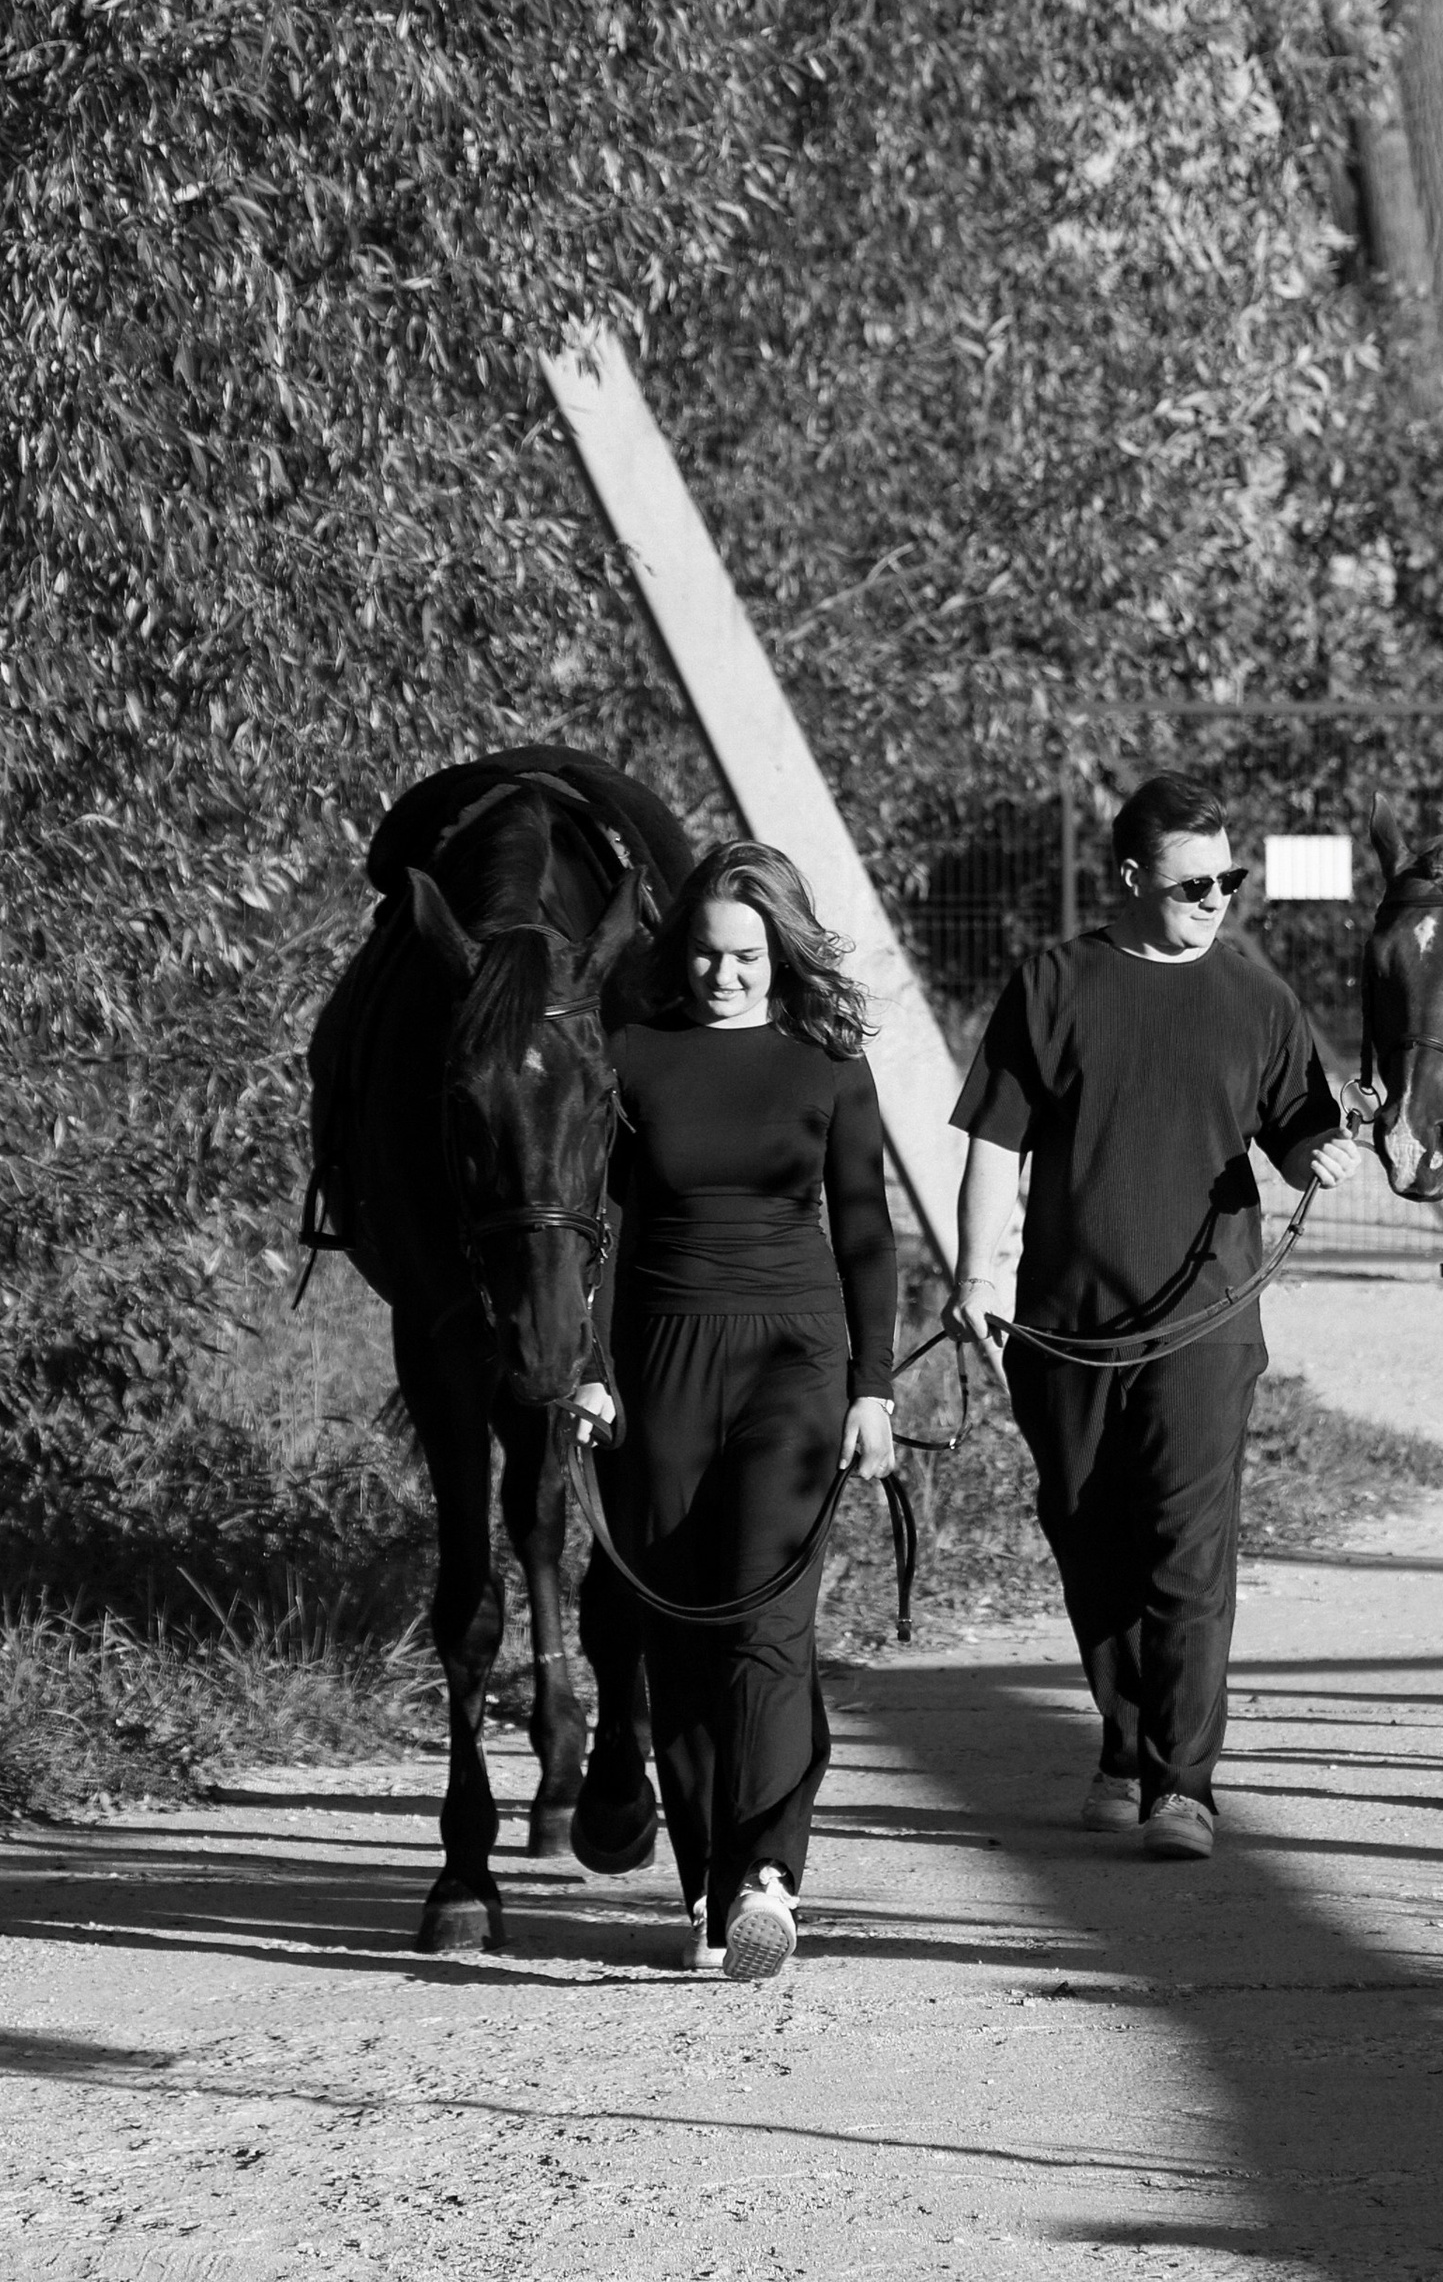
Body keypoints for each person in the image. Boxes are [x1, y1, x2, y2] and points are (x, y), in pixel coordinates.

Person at [945, 770, 1358, 1858]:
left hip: (1206, 1321)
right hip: (1064, 1325)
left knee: (1187, 1546)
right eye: (1193, 882)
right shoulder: (1053, 982)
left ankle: (1184, 1784)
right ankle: (1123, 1747)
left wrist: (1321, 1149)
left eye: (1229, 876)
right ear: (1129, 878)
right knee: (1087, 1536)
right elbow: (994, 1140)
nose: (1218, 896)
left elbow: (1297, 1127)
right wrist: (977, 1276)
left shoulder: (1256, 992)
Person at [572, 840, 896, 1980]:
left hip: (793, 1362)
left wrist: (874, 1389)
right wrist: (590, 1367)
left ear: (784, 953)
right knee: (681, 1628)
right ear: (680, 956)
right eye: (707, 955)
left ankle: (769, 1873)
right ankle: (707, 1891)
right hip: (658, 1363)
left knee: (766, 1620)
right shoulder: (630, 1060)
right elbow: (597, 1239)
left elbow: (865, 1233)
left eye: (749, 956)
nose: (726, 976)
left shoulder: (825, 1063)